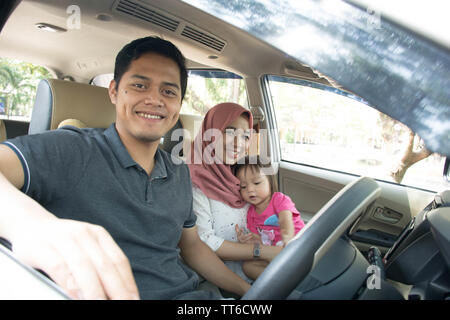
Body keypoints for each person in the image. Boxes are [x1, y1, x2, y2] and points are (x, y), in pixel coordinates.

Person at [0, 36, 250, 299]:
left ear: (178, 105)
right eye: (140, 85)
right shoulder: (73, 148)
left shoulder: (178, 170)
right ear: (114, 91)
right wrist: (35, 228)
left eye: (168, 91)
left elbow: (192, 247)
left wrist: (249, 291)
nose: (155, 99)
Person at [187, 103, 283, 285]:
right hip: (225, 278)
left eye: (246, 136)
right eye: (230, 132)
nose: (239, 143)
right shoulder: (194, 180)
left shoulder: (240, 173)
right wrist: (260, 251)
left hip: (260, 267)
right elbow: (203, 242)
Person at [234, 155, 305, 280]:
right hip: (273, 252)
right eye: (243, 187)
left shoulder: (279, 199)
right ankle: (281, 282)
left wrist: (287, 238)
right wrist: (248, 239)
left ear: (270, 182)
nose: (250, 190)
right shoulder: (250, 213)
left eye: (256, 183)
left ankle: (288, 276)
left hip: (295, 245)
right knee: (248, 267)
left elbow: (285, 221)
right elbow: (260, 241)